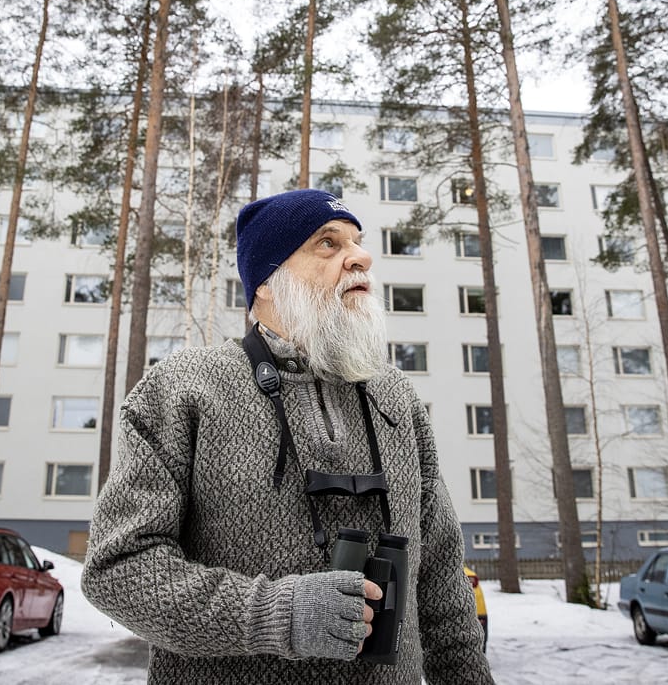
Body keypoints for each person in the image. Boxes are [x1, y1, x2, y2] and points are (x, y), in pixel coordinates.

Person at [81, 189, 493, 684]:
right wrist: (279, 615)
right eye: (328, 243)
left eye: (357, 242)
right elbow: (117, 568)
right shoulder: (182, 388)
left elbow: (442, 583)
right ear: (268, 283)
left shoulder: (394, 395)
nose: (361, 257)